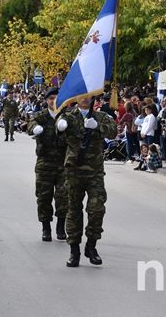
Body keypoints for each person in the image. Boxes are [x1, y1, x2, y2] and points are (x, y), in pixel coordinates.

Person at [57, 96, 116, 267]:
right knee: (73, 210)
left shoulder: (100, 117)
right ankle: (74, 250)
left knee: (97, 209)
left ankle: (91, 246)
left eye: (88, 96)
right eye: (82, 96)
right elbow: (58, 129)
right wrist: (60, 127)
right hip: (73, 170)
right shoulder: (69, 116)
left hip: (95, 171)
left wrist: (98, 126)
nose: (85, 99)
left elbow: (112, 131)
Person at [28, 88, 68, 242]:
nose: (53, 101)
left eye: (56, 98)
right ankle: (46, 227)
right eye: (50, 98)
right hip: (45, 162)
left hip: (63, 163)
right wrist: (35, 129)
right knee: (44, 197)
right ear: (46, 100)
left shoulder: (67, 116)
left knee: (63, 196)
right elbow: (31, 123)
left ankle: (61, 226)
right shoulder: (41, 116)